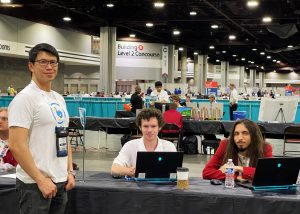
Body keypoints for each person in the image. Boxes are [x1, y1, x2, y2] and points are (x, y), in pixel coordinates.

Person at [8, 43, 75, 214]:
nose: (49, 67)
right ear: (31, 66)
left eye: (53, 62)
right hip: (35, 185)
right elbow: (16, 145)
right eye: (43, 62)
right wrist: (40, 180)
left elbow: (64, 136)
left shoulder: (59, 98)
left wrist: (69, 171)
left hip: (60, 182)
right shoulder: (24, 99)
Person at [111, 108, 176, 177]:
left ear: (159, 127)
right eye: (145, 126)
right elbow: (114, 169)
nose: (149, 130)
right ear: (140, 127)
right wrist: (133, 171)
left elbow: (175, 171)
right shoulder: (130, 146)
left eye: (153, 126)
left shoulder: (169, 147)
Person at [202, 119, 272, 181]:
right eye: (236, 134)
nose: (240, 138)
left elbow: (268, 174)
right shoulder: (225, 145)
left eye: (245, 133)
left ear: (254, 136)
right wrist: (235, 177)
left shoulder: (265, 148)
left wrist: (238, 168)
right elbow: (207, 172)